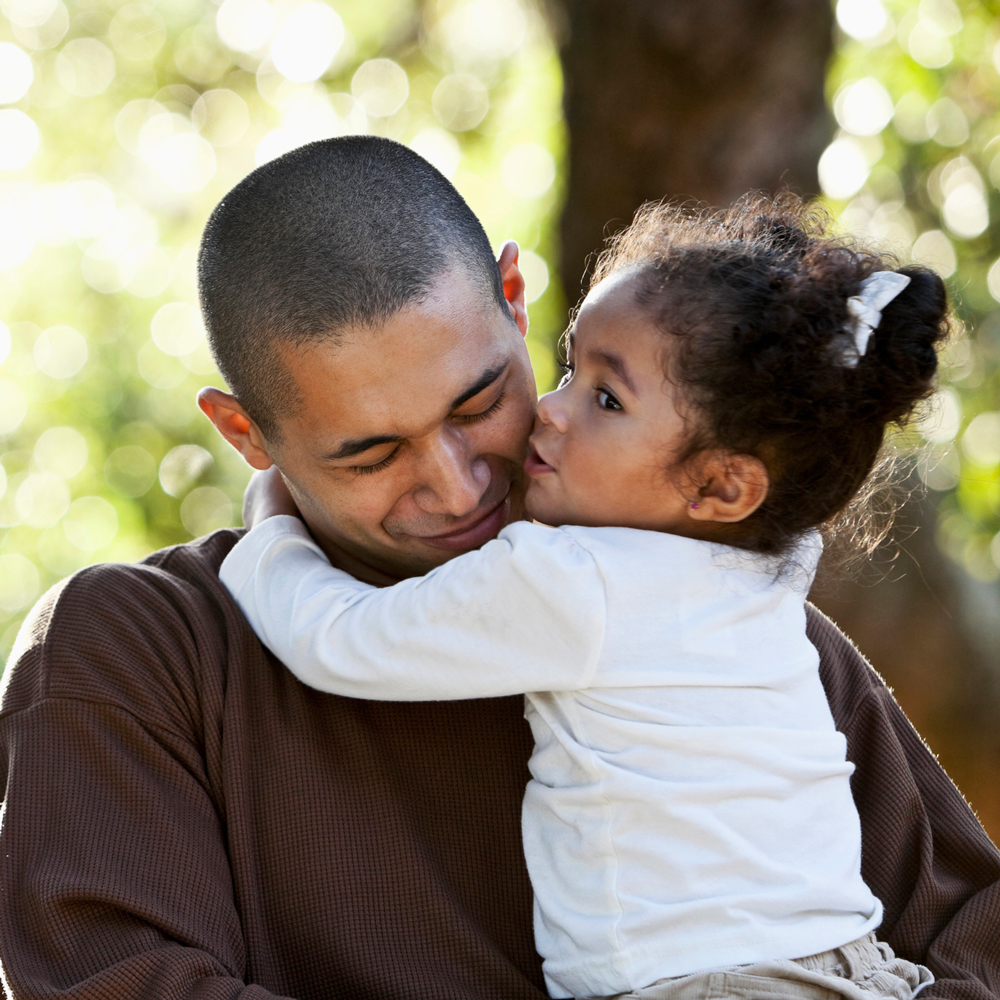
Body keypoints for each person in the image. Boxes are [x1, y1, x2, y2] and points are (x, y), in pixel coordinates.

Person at [0, 137, 997, 1000]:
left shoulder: (708, 608)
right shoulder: (138, 651)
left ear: (515, 302)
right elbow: (115, 978)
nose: (457, 482)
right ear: (244, 434)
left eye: (477, 403)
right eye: (372, 453)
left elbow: (970, 936)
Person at [217, 195, 942, 1000]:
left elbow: (340, 640)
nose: (551, 413)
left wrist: (270, 528)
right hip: (852, 965)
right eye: (571, 370)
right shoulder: (766, 578)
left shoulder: (573, 580)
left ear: (721, 484)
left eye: (605, 399)